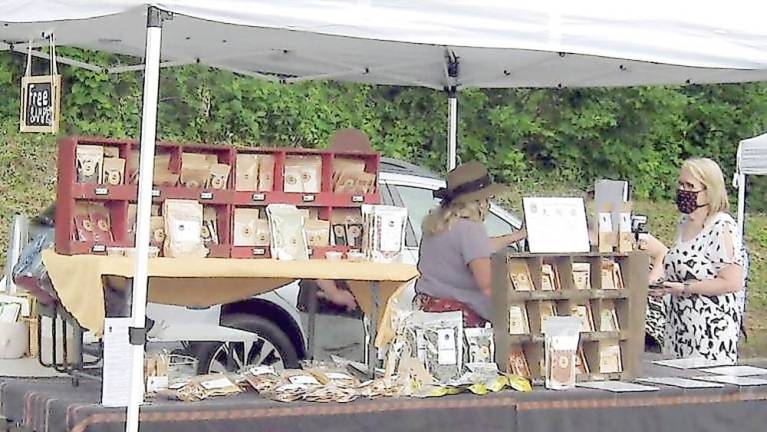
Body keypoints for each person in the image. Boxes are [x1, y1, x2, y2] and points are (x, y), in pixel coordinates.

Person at [650, 158, 744, 362]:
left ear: (709, 191)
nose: (683, 190)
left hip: (709, 333)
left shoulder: (721, 227)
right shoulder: (684, 223)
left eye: (690, 186)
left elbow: (732, 281)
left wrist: (685, 288)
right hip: (678, 328)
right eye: (681, 184)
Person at [414, 161, 526, 327]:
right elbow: (488, 285)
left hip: (426, 312)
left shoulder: (438, 224)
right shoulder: (471, 230)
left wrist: (517, 236)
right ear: (480, 202)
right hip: (459, 321)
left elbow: (477, 248)